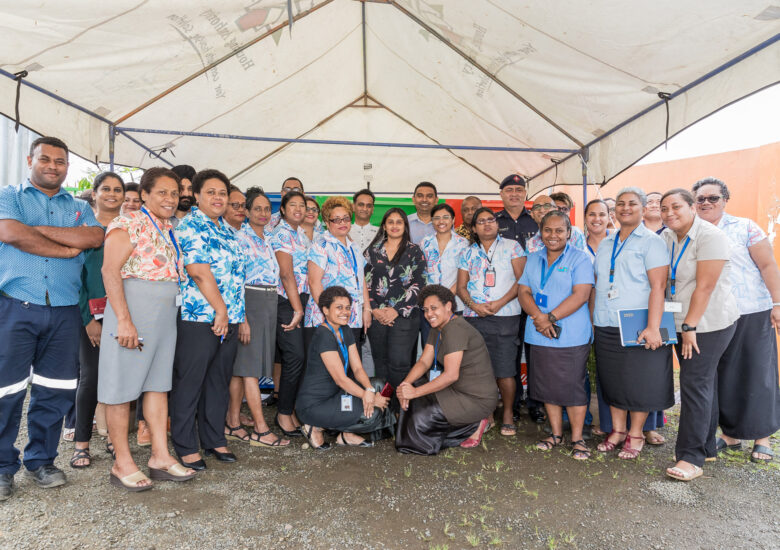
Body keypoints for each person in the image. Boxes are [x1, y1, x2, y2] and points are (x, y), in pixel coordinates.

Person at [0, 137, 103, 501]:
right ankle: (1, 467)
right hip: (15, 307)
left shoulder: (79, 206)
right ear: (30, 160)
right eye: (45, 159)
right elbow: (10, 233)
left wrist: (35, 231)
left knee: (54, 390)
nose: (53, 166)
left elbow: (93, 236)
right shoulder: (8, 195)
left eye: (60, 161)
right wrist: (66, 247)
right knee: (6, 391)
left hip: (62, 311)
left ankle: (42, 460)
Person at [99, 167, 197, 491]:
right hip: (134, 313)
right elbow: (110, 271)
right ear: (144, 194)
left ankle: (159, 456)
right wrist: (124, 320)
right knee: (120, 387)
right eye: (162, 193)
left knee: (158, 386)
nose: (170, 199)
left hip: (165, 317)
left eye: (174, 193)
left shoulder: (170, 228)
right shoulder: (126, 223)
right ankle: (122, 463)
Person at [692, 177, 780, 463]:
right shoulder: (692, 230)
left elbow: (768, 264)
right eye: (700, 199)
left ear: (725, 200)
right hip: (714, 314)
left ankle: (762, 438)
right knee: (724, 376)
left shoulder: (746, 228)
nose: (706, 203)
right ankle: (730, 435)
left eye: (712, 198)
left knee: (757, 373)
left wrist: (777, 303)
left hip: (751, 310)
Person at [660, 188, 739, 481]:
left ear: (692, 207)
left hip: (707, 323)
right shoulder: (667, 236)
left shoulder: (710, 237)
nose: (669, 213)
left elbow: (705, 287)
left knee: (694, 383)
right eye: (665, 208)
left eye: (676, 207)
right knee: (703, 382)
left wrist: (690, 327)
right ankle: (706, 446)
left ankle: (690, 457)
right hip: (680, 318)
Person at [170, 169, 246, 471]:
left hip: (229, 318)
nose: (218, 197)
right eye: (211, 192)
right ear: (197, 195)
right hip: (199, 316)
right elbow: (199, 271)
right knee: (191, 382)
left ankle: (214, 438)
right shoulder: (190, 226)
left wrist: (236, 315)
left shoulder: (228, 230)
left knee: (218, 381)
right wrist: (221, 310)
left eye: (223, 193)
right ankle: (186, 445)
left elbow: (236, 277)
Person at [591, 188, 674, 460]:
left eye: (632, 204)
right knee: (613, 380)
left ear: (642, 208)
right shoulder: (607, 242)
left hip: (638, 324)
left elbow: (658, 285)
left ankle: (636, 433)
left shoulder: (652, 242)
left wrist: (652, 327)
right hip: (606, 322)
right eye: (621, 204)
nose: (625, 208)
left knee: (639, 382)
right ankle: (617, 430)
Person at [518, 211, 594, 460]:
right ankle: (555, 434)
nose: (553, 235)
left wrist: (548, 317)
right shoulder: (533, 258)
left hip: (570, 334)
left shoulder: (580, 259)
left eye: (559, 230)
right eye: (548, 230)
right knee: (548, 386)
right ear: (541, 232)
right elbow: (524, 292)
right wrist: (539, 318)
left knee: (572, 387)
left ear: (569, 233)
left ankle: (578, 438)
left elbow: (581, 295)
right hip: (540, 334)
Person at [395, 285, 497, 455]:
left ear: (448, 306)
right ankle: (468, 422)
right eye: (426, 310)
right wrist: (405, 385)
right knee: (412, 398)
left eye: (434, 308)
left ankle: (477, 422)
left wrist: (414, 392)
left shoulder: (455, 329)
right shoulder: (438, 327)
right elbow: (424, 362)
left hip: (476, 399)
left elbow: (450, 375)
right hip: (456, 390)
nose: (429, 314)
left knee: (420, 420)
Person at [70, 172, 125, 469]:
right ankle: (81, 444)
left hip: (123, 313)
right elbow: (76, 277)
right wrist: (89, 319)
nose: (113, 194)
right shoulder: (84, 228)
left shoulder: (129, 227)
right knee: (90, 377)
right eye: (106, 189)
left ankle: (114, 439)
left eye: (118, 189)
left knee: (118, 378)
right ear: (94, 193)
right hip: (90, 315)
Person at [227, 187, 289, 448]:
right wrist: (242, 318)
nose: (263, 213)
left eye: (267, 209)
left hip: (268, 302)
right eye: (257, 209)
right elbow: (235, 281)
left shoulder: (269, 239)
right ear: (247, 211)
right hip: (248, 302)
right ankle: (261, 430)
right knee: (250, 369)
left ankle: (232, 423)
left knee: (242, 368)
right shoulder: (240, 239)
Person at [296, 286, 394, 450]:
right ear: (325, 310)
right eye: (339, 308)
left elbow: (357, 368)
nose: (345, 312)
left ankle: (345, 435)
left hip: (336, 395)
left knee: (378, 385)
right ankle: (315, 426)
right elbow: (340, 379)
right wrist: (367, 396)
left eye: (348, 308)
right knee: (373, 413)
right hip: (315, 405)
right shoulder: (323, 335)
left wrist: (369, 391)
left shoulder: (345, 329)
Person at [457, 207, 525, 436]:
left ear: (497, 224)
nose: (487, 224)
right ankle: (485, 414)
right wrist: (474, 306)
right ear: (474, 228)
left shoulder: (512, 247)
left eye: (491, 220)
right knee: (478, 370)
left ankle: (507, 414)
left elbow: (522, 281)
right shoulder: (468, 253)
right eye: (481, 221)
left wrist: (499, 303)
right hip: (474, 318)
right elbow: (460, 287)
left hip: (505, 316)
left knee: (505, 369)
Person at [365, 208, 427, 391]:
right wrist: (374, 309)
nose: (394, 226)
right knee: (381, 364)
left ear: (405, 226)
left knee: (399, 364)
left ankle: (400, 411)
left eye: (399, 222)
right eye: (390, 222)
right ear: (384, 225)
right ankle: (384, 412)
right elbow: (364, 283)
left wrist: (395, 310)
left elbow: (419, 284)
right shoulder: (372, 252)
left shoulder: (415, 251)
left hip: (405, 317)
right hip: (377, 317)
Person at [306, 196, 371, 353]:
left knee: (350, 366)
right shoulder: (321, 245)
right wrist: (328, 314)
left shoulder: (353, 246)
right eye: (336, 220)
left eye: (346, 218)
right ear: (327, 223)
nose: (342, 223)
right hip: (327, 318)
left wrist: (366, 309)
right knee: (329, 369)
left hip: (352, 317)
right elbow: (314, 283)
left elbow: (360, 280)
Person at [269, 190, 309, 437]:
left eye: (302, 205)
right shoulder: (281, 234)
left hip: (300, 299)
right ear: (282, 209)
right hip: (286, 302)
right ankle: (283, 413)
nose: (298, 208)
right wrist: (297, 308)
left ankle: (290, 409)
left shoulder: (300, 234)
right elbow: (286, 274)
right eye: (292, 205)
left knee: (297, 359)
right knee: (294, 357)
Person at [419, 203, 469, 345]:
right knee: (430, 346)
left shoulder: (463, 243)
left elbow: (465, 274)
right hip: (430, 307)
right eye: (437, 218)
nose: (441, 221)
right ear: (432, 221)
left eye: (446, 217)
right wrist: (432, 300)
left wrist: (446, 296)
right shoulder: (425, 243)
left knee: (453, 347)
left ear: (453, 220)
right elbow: (422, 273)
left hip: (454, 304)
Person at [495, 174, 538, 249]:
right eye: (509, 190)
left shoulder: (536, 219)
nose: (514, 194)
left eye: (519, 190)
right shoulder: (493, 220)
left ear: (525, 193)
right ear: (501, 194)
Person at [584, 199, 611, 263]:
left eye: (602, 215)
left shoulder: (619, 241)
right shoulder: (580, 246)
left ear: (608, 218)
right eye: (592, 214)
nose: (597, 219)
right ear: (585, 218)